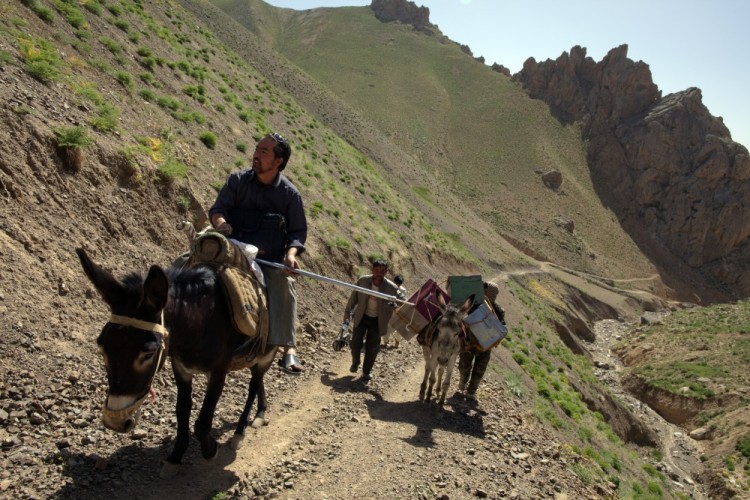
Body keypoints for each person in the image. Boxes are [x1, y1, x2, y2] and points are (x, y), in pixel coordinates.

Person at [209, 132, 307, 375]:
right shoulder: (237, 181)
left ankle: (288, 347)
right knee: (187, 263)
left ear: (278, 161)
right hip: (231, 251)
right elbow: (218, 210)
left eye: (264, 151)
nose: (256, 154)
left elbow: (297, 232)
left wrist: (291, 254)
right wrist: (221, 224)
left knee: (285, 285)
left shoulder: (290, 195)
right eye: (257, 149)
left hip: (267, 261)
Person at [342, 260, 399, 381]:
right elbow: (353, 298)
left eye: (382, 271)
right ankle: (355, 362)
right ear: (372, 270)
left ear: (386, 272)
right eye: (377, 270)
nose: (379, 273)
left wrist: (395, 305)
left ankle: (366, 371)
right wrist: (347, 315)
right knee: (355, 343)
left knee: (372, 348)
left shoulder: (391, 288)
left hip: (378, 321)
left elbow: (400, 303)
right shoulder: (363, 281)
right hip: (362, 317)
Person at [458, 281, 506, 400]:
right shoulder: (473, 304)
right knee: (464, 365)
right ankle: (463, 382)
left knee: (479, 369)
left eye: (491, 294)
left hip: (485, 345)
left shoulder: (498, 310)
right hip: (469, 342)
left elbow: (501, 327)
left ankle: (471, 392)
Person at [381, 274, 406, 348]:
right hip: (390, 310)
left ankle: (395, 343)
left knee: (396, 327)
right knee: (388, 327)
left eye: (398, 284)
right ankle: (387, 343)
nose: (397, 286)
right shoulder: (389, 288)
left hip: (396, 311)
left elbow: (402, 301)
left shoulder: (402, 290)